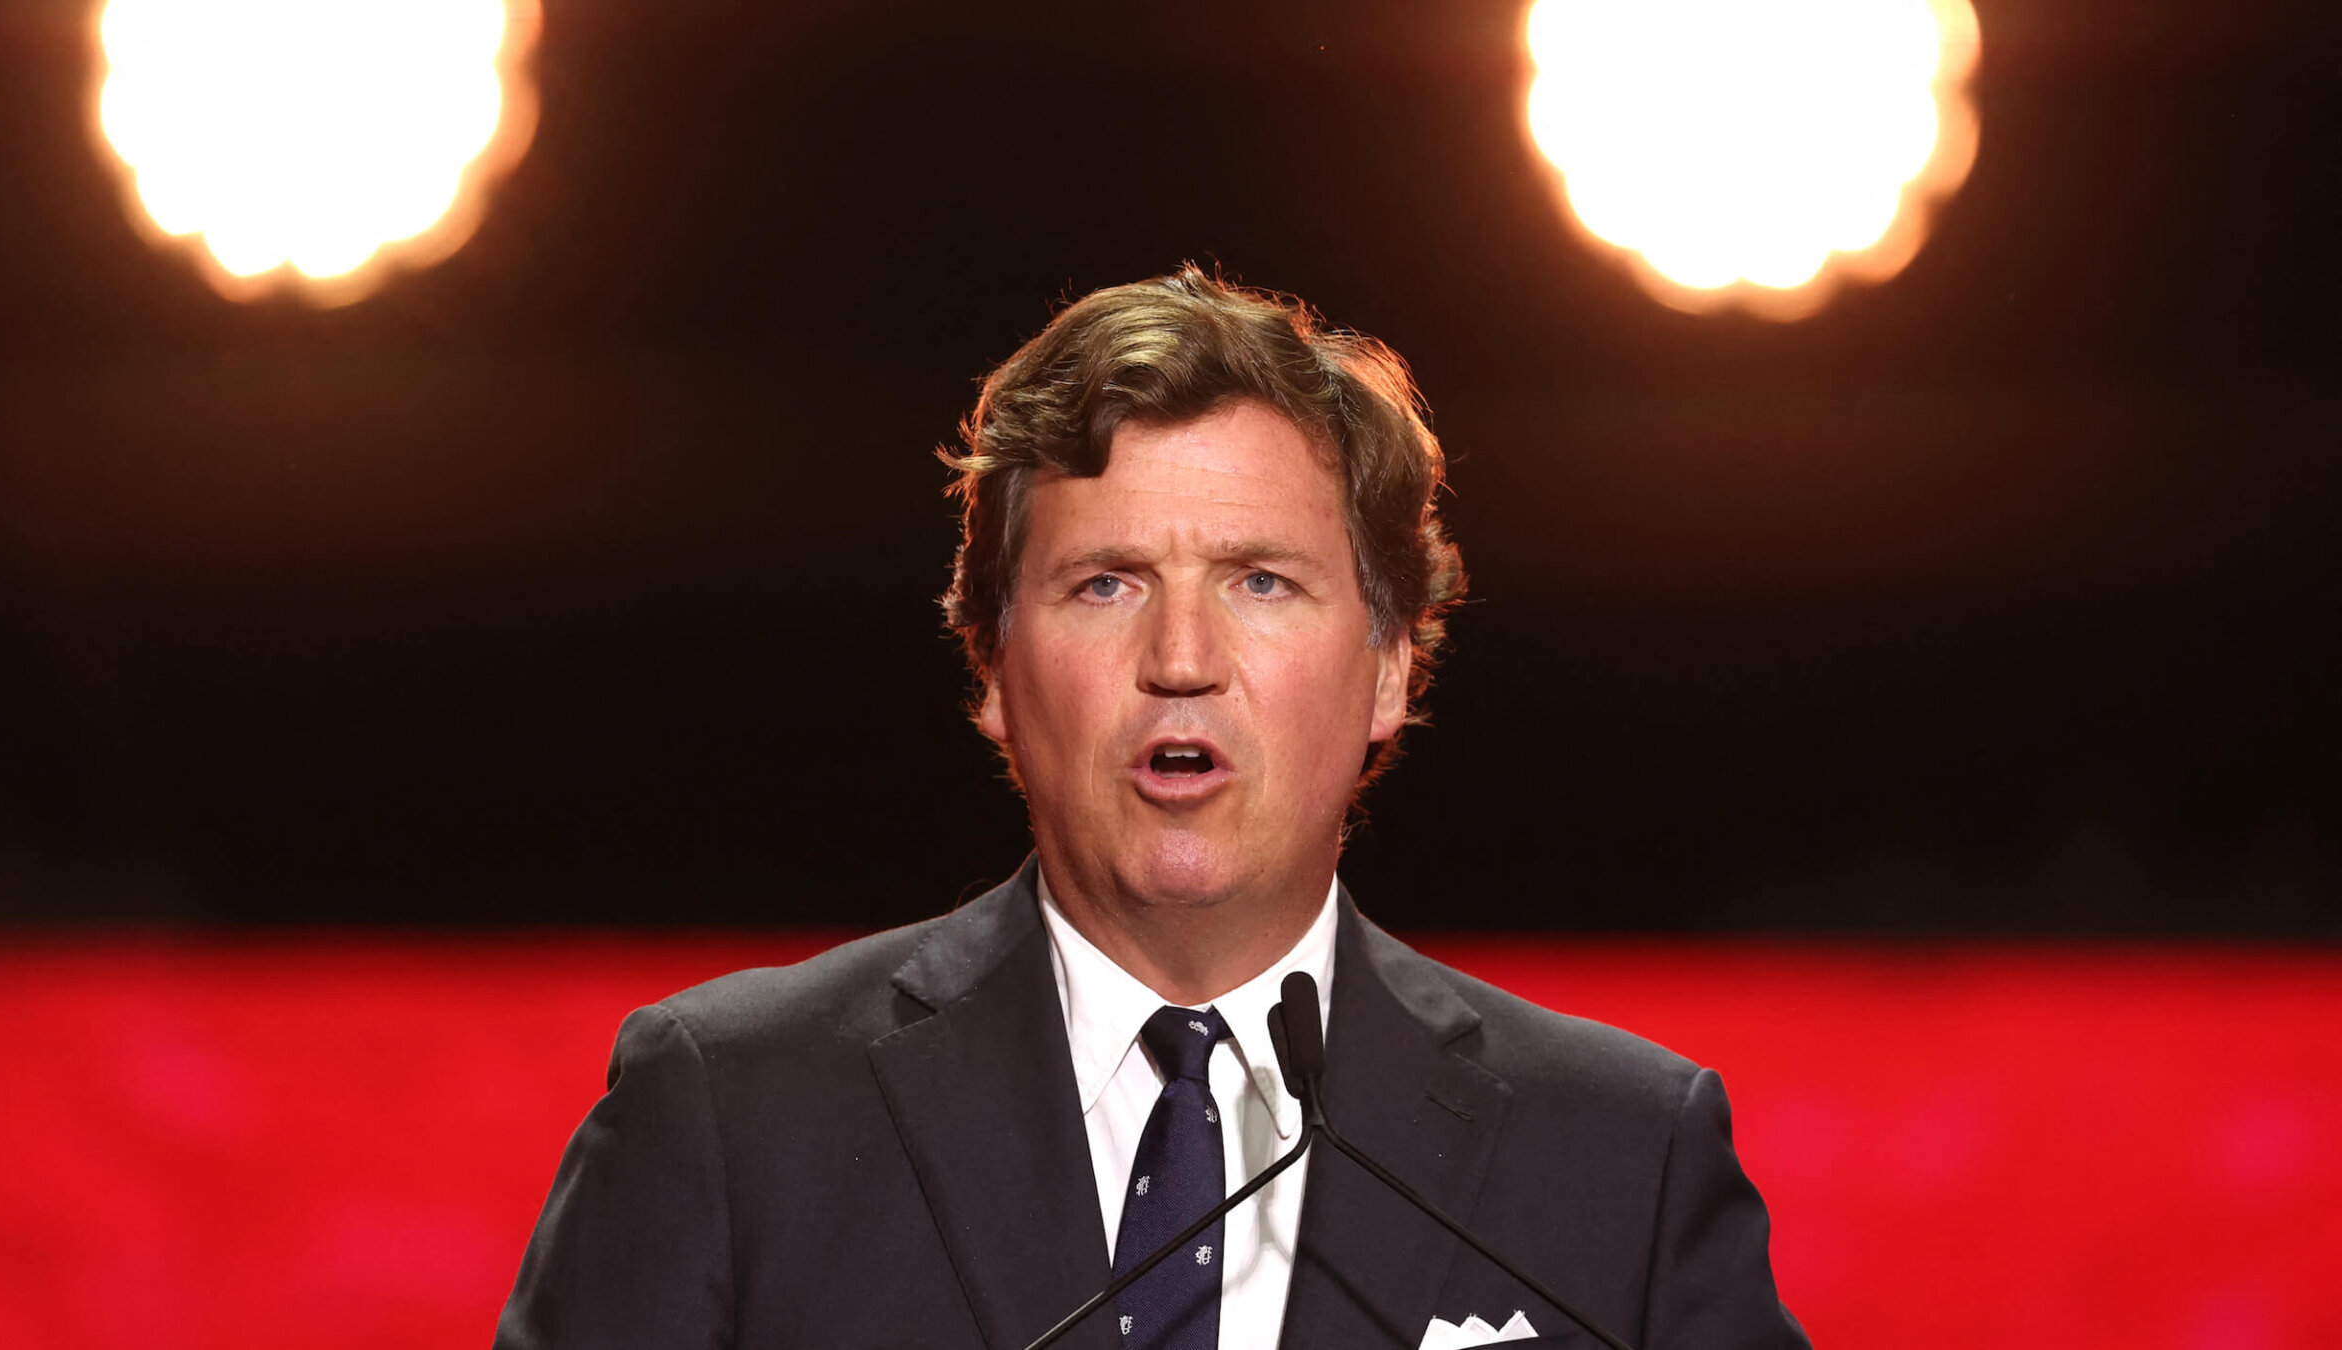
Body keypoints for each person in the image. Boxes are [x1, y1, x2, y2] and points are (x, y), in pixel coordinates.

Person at [495, 268, 1809, 1349]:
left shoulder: (1619, 1162)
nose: (1183, 656)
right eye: (1107, 582)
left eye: (1261, 581)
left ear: (1392, 667)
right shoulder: (732, 1113)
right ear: (993, 668)